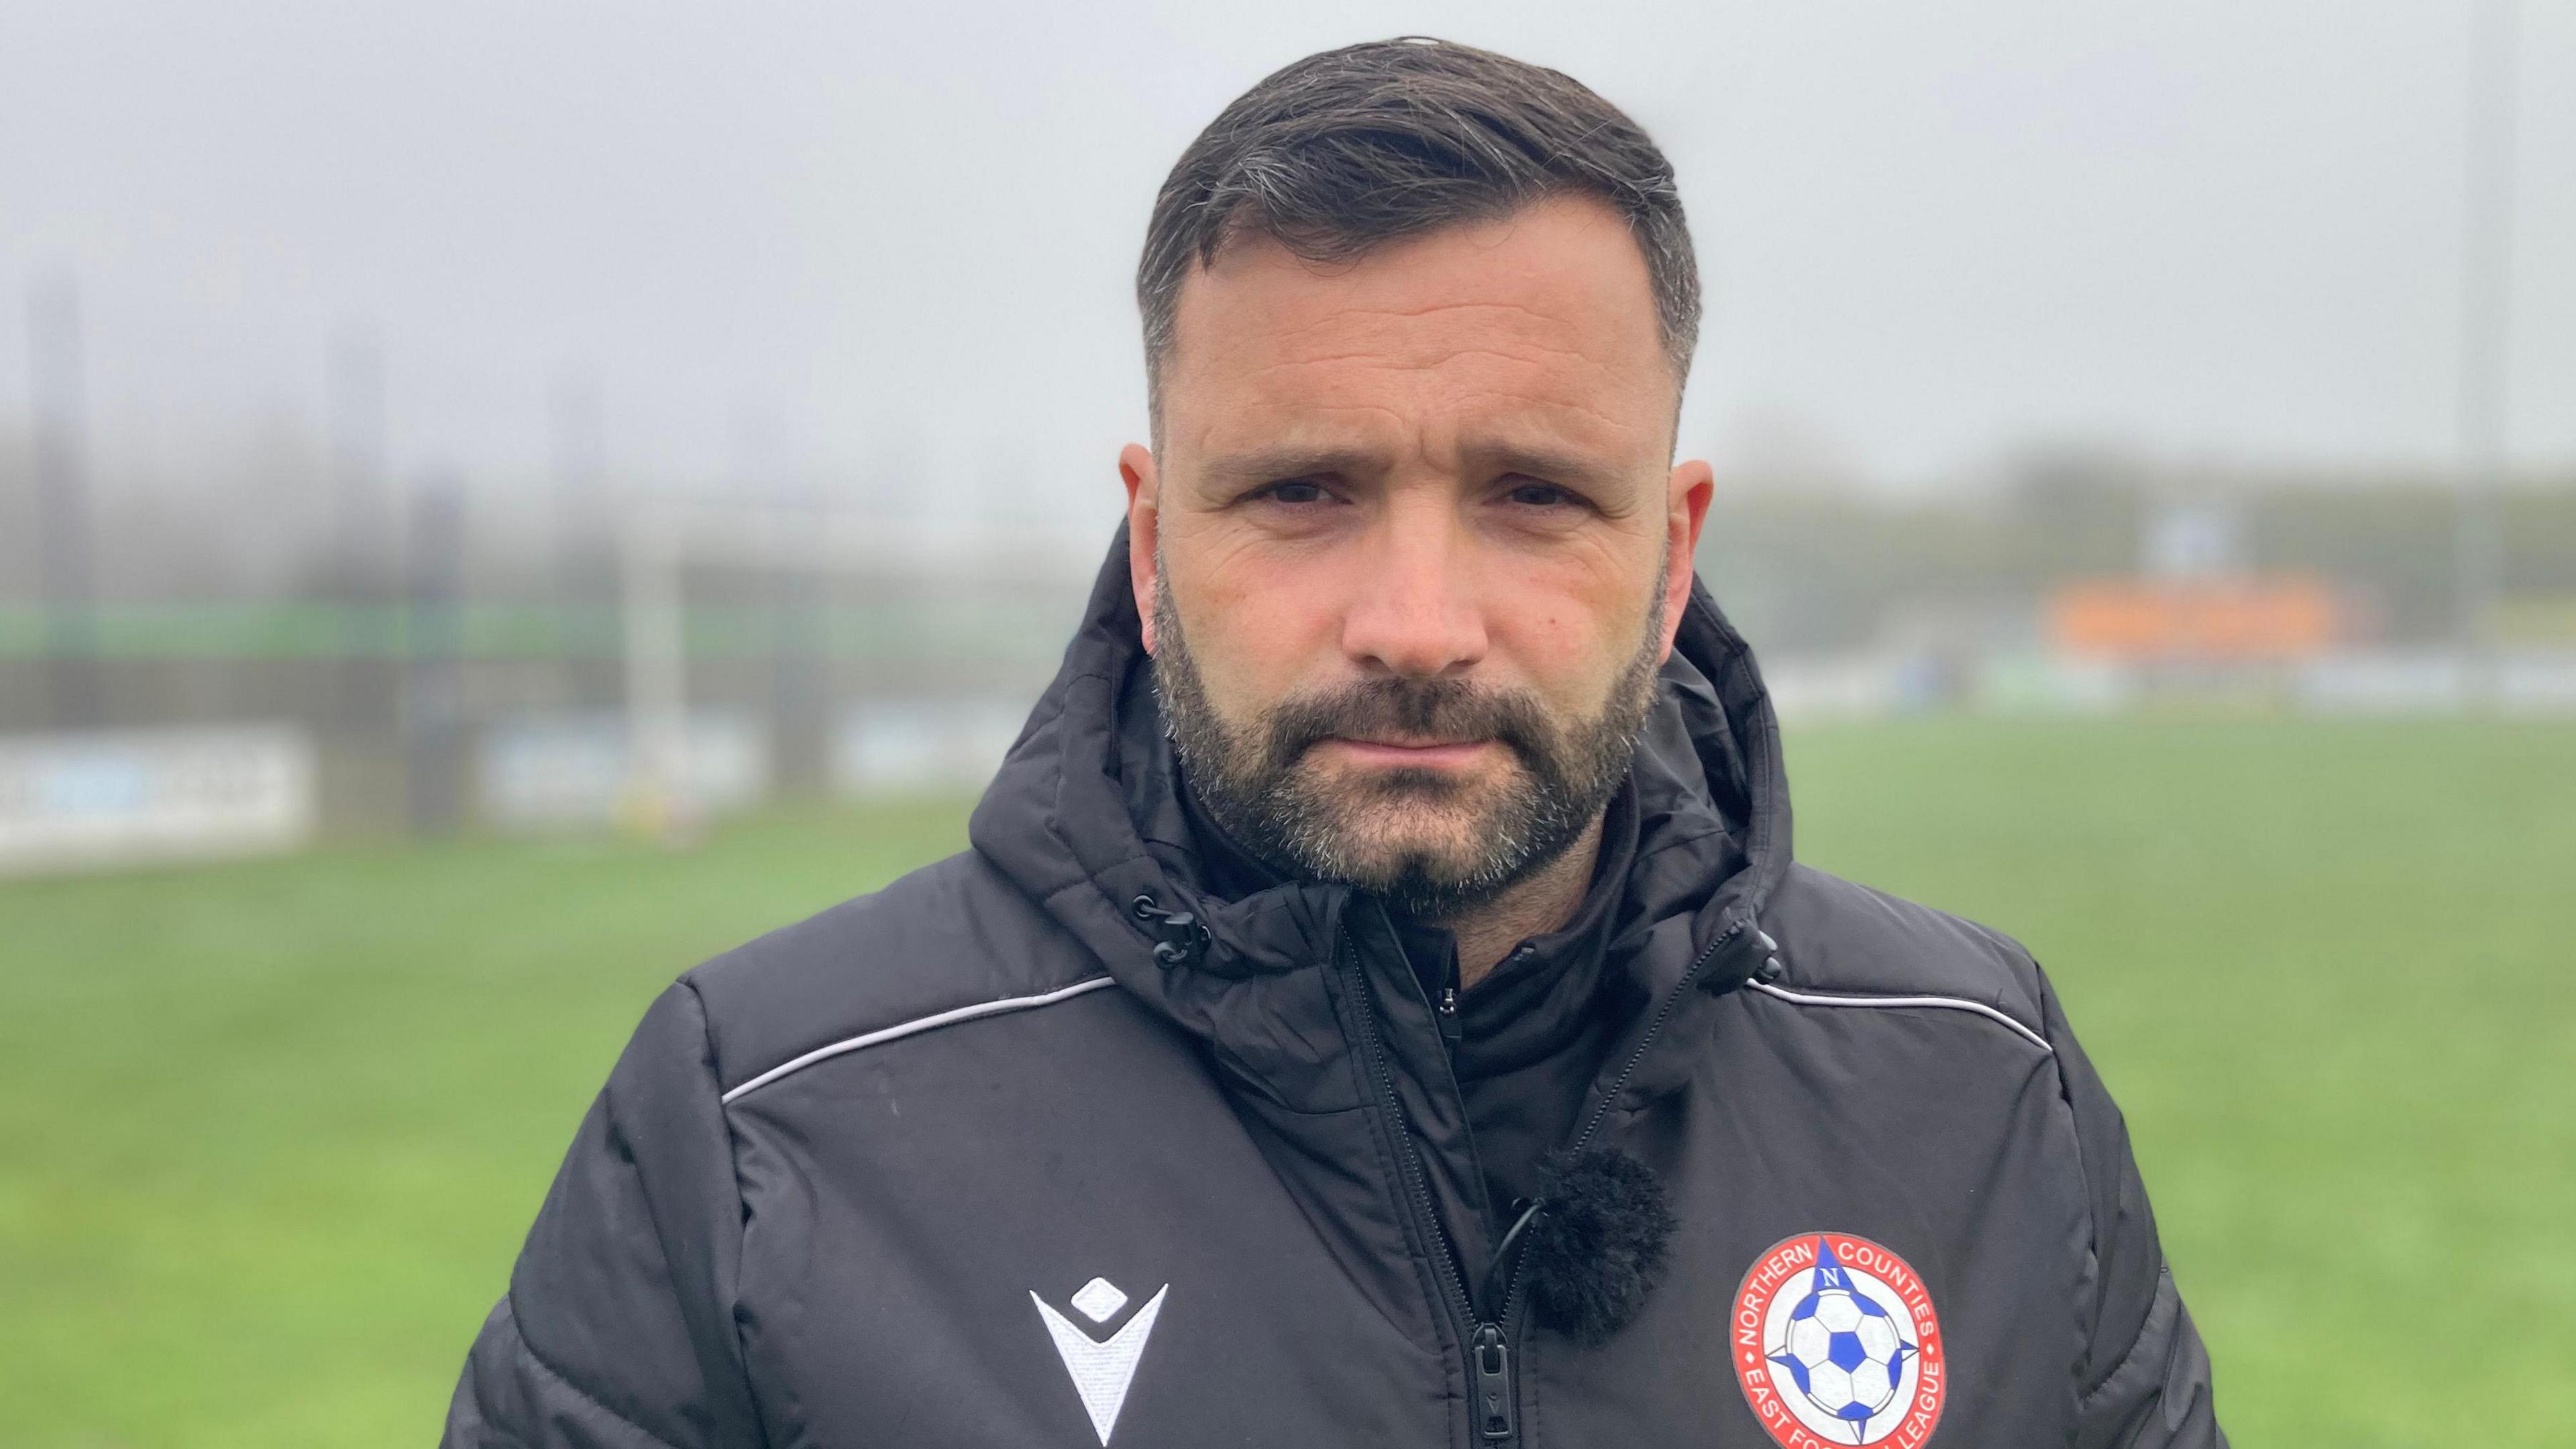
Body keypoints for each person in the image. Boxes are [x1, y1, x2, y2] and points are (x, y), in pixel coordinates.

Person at [443, 37, 2223, 1449]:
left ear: (1674, 553)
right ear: (1151, 544)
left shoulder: (1978, 1089)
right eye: (1303, 491)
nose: (1419, 621)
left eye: (1534, 496)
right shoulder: (766, 1123)